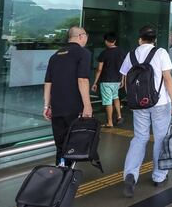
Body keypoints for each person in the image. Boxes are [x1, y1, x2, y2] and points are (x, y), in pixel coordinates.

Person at [121, 27, 172, 197]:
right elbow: (167, 79)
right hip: (160, 103)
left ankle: (130, 174)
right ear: (154, 40)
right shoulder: (160, 53)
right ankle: (159, 176)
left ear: (140, 39)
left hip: (139, 105)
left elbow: (124, 80)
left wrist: (134, 99)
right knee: (160, 138)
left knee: (139, 138)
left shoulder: (131, 55)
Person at [43, 26, 92, 164]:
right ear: (81, 36)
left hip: (57, 107)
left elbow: (48, 82)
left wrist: (47, 106)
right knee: (73, 144)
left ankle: (61, 173)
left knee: (60, 145)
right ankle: (68, 177)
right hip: (74, 107)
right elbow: (82, 79)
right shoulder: (83, 53)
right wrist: (87, 105)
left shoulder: (55, 55)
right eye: (86, 35)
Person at [91, 32, 127, 128]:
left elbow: (99, 69)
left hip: (106, 80)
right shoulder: (122, 52)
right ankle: (119, 116)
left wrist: (95, 83)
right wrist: (122, 80)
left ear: (106, 41)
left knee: (108, 101)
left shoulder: (104, 53)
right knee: (116, 98)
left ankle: (110, 122)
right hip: (118, 80)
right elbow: (124, 67)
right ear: (115, 41)